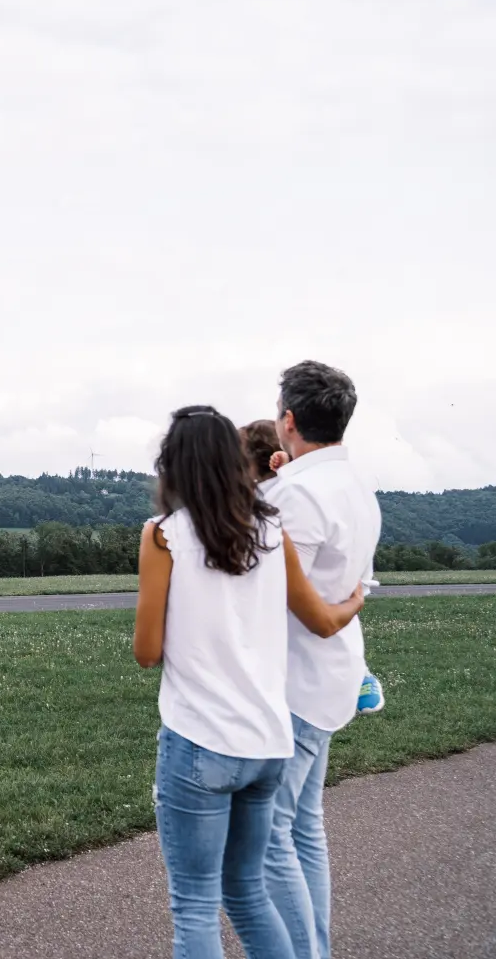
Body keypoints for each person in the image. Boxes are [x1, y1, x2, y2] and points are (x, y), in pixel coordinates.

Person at [134, 404, 365, 959]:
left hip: (199, 742)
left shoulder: (163, 537)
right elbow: (321, 619)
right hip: (267, 741)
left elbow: (146, 652)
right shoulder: (270, 529)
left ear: (174, 465)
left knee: (194, 905)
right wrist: (356, 597)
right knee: (248, 894)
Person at [259, 361, 383, 959]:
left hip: (296, 685)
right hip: (334, 675)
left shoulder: (299, 494)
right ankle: (317, 947)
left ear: (288, 419)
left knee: (270, 838)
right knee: (305, 826)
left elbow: (273, 587)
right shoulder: (355, 485)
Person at [245, 420, 385, 718]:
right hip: (350, 582)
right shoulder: (338, 486)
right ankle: (360, 673)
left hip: (301, 674)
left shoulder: (278, 496)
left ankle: (360, 674)